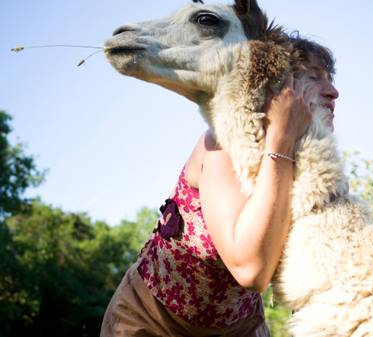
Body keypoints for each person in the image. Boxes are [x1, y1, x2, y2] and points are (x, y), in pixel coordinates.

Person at [100, 37, 339, 337]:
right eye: (314, 78)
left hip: (240, 328)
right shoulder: (224, 144)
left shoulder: (311, 164)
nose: (334, 92)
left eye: (330, 80)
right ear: (280, 86)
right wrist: (280, 137)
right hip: (153, 323)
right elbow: (250, 270)